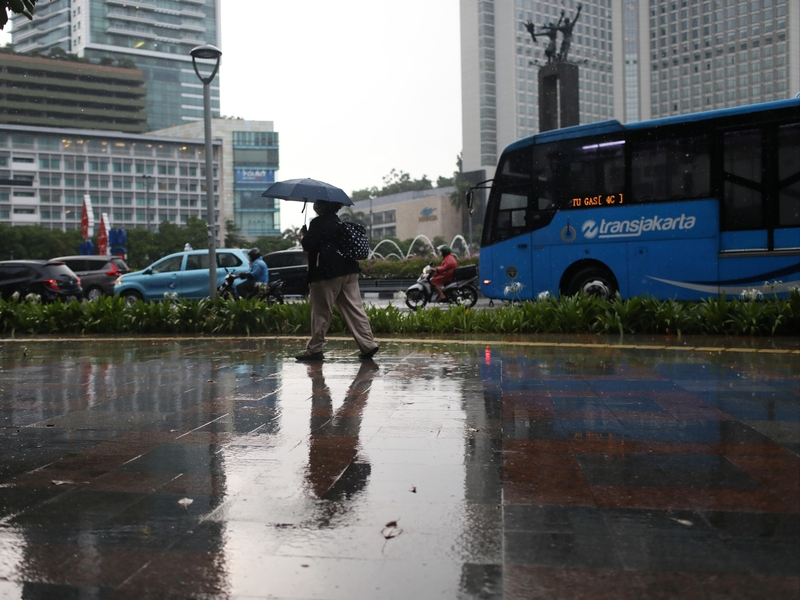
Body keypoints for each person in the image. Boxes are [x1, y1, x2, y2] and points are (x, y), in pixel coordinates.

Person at [295, 200, 379, 362]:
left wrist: (303, 236)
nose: (315, 205)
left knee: (321, 312)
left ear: (323, 207)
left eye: (318, 203)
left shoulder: (318, 222)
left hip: (326, 273)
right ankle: (368, 344)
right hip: (349, 271)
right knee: (354, 309)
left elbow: (309, 245)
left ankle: (315, 350)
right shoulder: (339, 223)